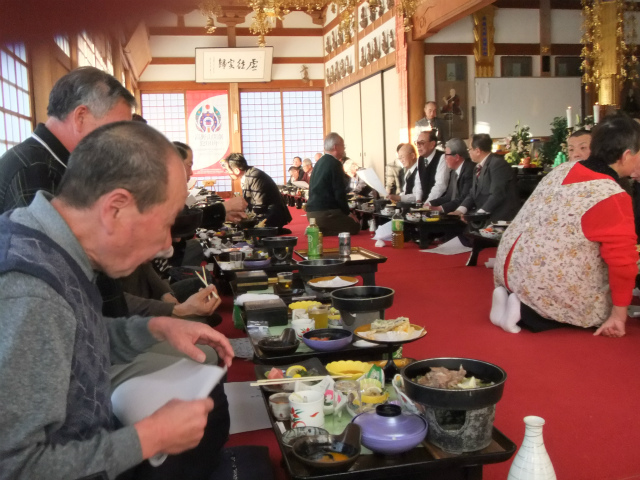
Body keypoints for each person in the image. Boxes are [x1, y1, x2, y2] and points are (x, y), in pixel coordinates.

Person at [0, 121, 234, 479]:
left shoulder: (45, 241)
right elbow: (15, 467)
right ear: (116, 208)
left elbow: (70, 343)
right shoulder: (32, 293)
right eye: (165, 222)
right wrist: (149, 438)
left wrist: (153, 328)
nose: (167, 245)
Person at [490, 114, 640, 337]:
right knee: (598, 308)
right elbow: (622, 263)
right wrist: (618, 315)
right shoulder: (611, 195)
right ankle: (525, 312)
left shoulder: (563, 170)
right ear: (626, 155)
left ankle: (510, 298)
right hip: (543, 285)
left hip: (510, 271)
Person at [0, 66, 135, 212]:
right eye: (116, 129)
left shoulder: (65, 161)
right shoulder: (33, 169)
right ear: (80, 117)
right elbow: (49, 234)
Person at [450, 134, 520, 222]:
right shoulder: (477, 167)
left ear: (478, 151)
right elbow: (473, 193)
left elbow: (497, 194)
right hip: (485, 217)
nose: (469, 152)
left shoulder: (497, 164)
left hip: (500, 218)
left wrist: (477, 215)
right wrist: (459, 210)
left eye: (470, 149)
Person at [306, 132, 360, 236]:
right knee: (355, 226)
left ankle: (317, 227)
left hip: (311, 213)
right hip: (325, 214)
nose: (344, 149)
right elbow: (339, 192)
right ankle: (321, 230)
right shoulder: (335, 163)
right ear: (336, 147)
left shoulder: (319, 163)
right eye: (343, 146)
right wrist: (348, 213)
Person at [222, 153, 292, 229]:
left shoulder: (254, 176)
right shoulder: (248, 174)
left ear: (236, 170)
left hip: (271, 216)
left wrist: (247, 218)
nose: (227, 173)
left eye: (227, 170)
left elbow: (259, 205)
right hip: (264, 212)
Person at [428, 138, 475, 213]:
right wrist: (429, 204)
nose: (444, 158)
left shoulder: (469, 170)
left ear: (456, 157)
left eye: (446, 155)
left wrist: (440, 208)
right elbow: (449, 196)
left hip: (465, 214)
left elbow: (463, 198)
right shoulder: (454, 171)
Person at [415, 129, 450, 202]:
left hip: (438, 203)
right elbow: (418, 183)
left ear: (432, 144)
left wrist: (427, 203)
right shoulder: (420, 159)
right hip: (424, 203)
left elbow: (441, 186)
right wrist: (418, 200)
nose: (418, 146)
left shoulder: (442, 157)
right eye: (417, 143)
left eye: (422, 143)